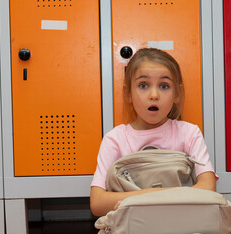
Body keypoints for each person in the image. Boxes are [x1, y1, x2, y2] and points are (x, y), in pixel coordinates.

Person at [90, 48, 217, 218]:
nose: (154, 95)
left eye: (164, 86)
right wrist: (169, 195)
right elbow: (97, 203)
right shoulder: (115, 139)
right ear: (128, 93)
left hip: (183, 224)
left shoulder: (189, 133)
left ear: (177, 94)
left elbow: (208, 189)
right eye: (143, 85)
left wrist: (137, 199)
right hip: (135, 227)